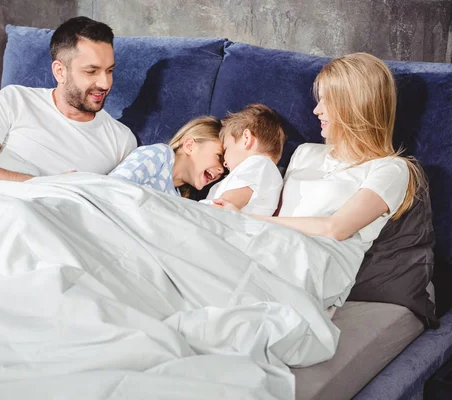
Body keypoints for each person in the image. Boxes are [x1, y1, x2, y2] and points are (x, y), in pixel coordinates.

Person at [215, 52, 424, 255]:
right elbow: (276, 213)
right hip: (269, 249)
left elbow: (335, 229)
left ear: (355, 105)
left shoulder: (391, 169)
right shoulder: (305, 153)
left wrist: (245, 219)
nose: (317, 110)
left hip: (312, 267)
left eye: (327, 101)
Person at [0, 16, 136, 181]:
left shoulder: (121, 141)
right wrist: (41, 184)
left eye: (109, 70)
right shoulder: (15, 100)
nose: (104, 83)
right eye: (91, 71)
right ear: (60, 72)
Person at [199, 104, 286, 216]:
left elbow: (222, 206)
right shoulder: (259, 168)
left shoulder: (259, 165)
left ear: (246, 139)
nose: (224, 163)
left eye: (226, 149)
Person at [109, 116, 225, 197]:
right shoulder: (160, 155)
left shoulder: (177, 197)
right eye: (219, 156)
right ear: (190, 146)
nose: (221, 170)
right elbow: (112, 187)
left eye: (226, 169)